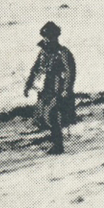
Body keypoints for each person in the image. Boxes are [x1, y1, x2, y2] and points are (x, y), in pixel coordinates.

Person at [23, 21, 77, 154]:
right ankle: (55, 143)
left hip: (58, 89)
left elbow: (70, 72)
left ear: (56, 37)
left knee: (52, 115)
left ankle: (58, 146)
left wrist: (66, 89)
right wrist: (29, 84)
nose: (48, 39)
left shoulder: (63, 52)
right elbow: (35, 69)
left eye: (51, 36)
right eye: (46, 36)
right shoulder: (43, 53)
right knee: (44, 118)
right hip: (45, 89)